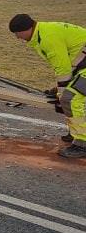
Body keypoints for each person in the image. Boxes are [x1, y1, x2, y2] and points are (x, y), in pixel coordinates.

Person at [9, 14, 86, 159]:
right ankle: (76, 133)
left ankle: (83, 144)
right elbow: (68, 64)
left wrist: (62, 90)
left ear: (26, 29)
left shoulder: (47, 38)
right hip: (83, 66)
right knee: (65, 96)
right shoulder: (41, 33)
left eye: (17, 33)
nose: (17, 37)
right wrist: (59, 89)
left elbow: (63, 68)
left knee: (70, 98)